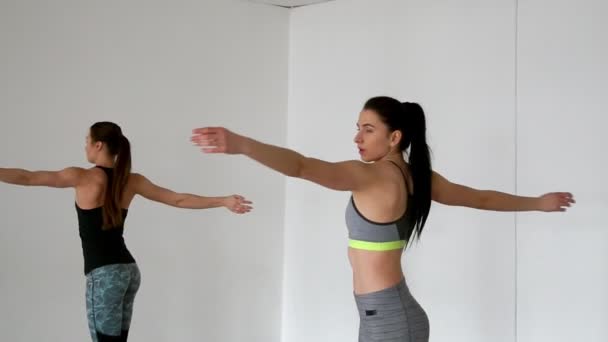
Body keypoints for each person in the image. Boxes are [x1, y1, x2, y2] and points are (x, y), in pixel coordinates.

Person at [190, 96, 574, 342]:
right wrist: (537, 203)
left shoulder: (371, 175)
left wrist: (241, 144)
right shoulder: (419, 178)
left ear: (394, 138)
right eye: (357, 127)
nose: (357, 137)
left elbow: (302, 166)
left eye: (368, 129)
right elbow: (482, 199)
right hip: (388, 313)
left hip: (389, 318)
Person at [0, 121, 253, 342]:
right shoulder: (132, 180)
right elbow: (178, 200)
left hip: (104, 275)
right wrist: (222, 200)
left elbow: (27, 177)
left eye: (87, 141)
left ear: (99, 145)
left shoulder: (82, 177)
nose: (85, 146)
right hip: (128, 271)